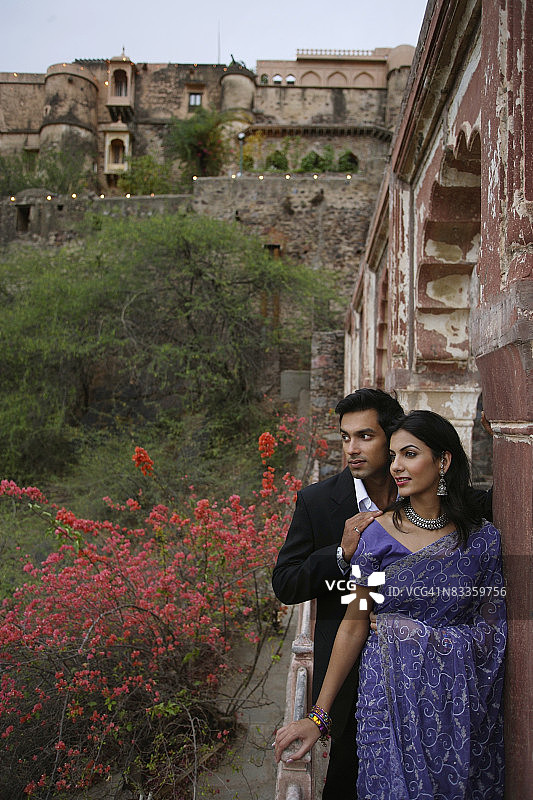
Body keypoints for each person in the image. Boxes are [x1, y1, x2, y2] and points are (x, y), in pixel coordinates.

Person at [275, 410, 506, 800]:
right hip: (384, 702)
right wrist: (318, 716)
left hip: (456, 709)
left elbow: (494, 634)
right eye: (394, 455)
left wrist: (416, 635)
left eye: (409, 454)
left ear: (443, 460)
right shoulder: (377, 538)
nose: (396, 466)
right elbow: (354, 623)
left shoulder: (481, 541)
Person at [272, 388, 405, 798]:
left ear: (393, 437)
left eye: (365, 436)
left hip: (418, 674)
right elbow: (287, 583)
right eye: (345, 438)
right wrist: (341, 552)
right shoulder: (317, 502)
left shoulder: (424, 497)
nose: (352, 449)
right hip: (349, 680)